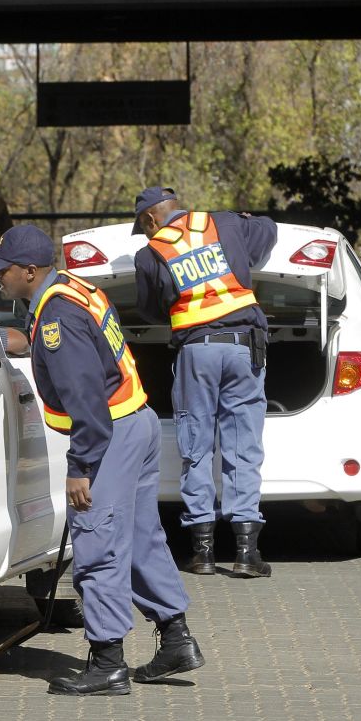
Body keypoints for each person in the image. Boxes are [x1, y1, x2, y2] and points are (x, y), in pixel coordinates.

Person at [0, 223, 204, 695]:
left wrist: (80, 466)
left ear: (29, 271)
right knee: (139, 537)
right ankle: (176, 639)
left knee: (98, 544)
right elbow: (86, 353)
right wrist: (26, 340)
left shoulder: (57, 317)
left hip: (106, 436)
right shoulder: (71, 290)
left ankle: (107, 663)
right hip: (135, 423)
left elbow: (85, 396)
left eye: (4, 270)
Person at [132, 186, 278, 578]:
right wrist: (245, 227)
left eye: (143, 227)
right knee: (243, 446)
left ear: (150, 219)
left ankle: (203, 553)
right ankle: (246, 552)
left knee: (196, 446)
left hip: (196, 352)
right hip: (244, 348)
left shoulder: (149, 254)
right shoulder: (224, 223)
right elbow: (268, 230)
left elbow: (149, 309)